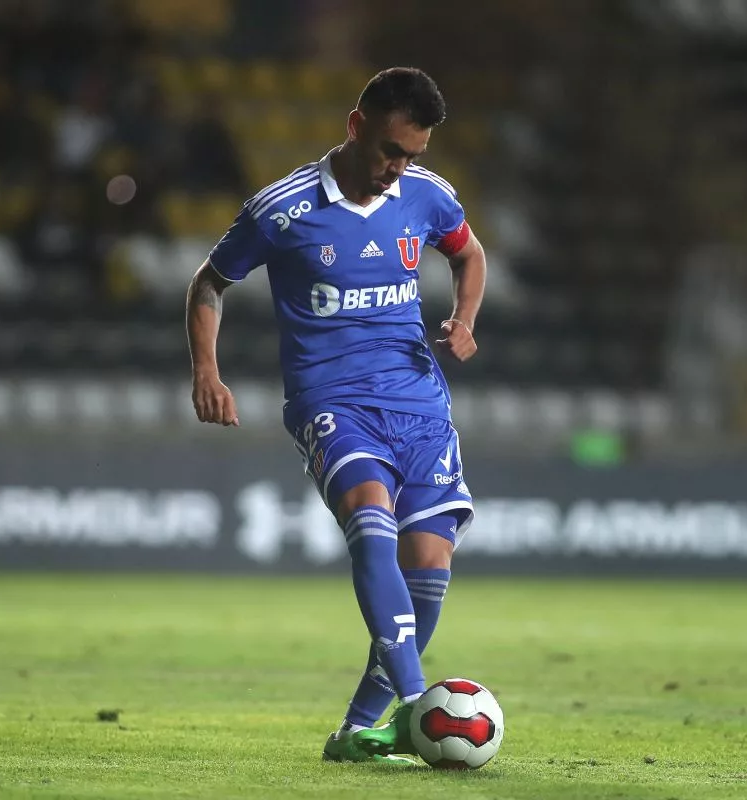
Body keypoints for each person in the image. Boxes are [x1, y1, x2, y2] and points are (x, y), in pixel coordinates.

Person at [185, 67, 486, 765]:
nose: (398, 168)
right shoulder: (281, 209)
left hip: (419, 400)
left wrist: (465, 318)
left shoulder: (426, 196)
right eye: (389, 150)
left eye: (413, 155)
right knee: (371, 525)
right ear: (356, 126)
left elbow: (468, 254)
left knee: (429, 566)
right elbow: (211, 282)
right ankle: (417, 704)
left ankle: (359, 731)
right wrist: (207, 370)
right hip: (332, 401)